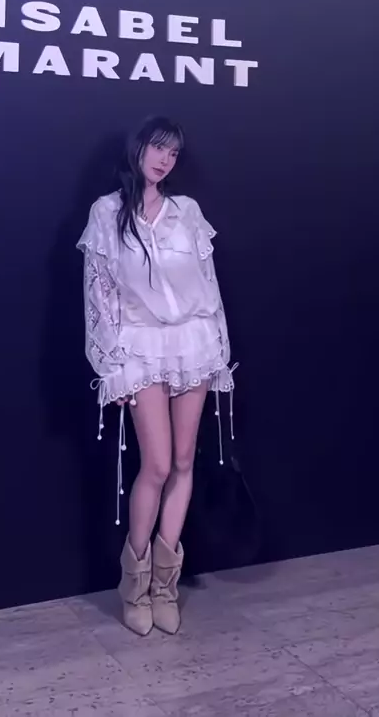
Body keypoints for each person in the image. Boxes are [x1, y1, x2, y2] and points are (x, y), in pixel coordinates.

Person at [77, 116, 236, 636]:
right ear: (138, 148)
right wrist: (112, 366)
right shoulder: (107, 212)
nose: (165, 160)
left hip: (193, 343)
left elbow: (209, 287)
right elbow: (99, 295)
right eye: (158, 148)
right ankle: (134, 582)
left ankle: (165, 586)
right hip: (141, 348)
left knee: (185, 461)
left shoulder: (187, 212)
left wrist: (217, 350)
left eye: (173, 153)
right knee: (158, 463)